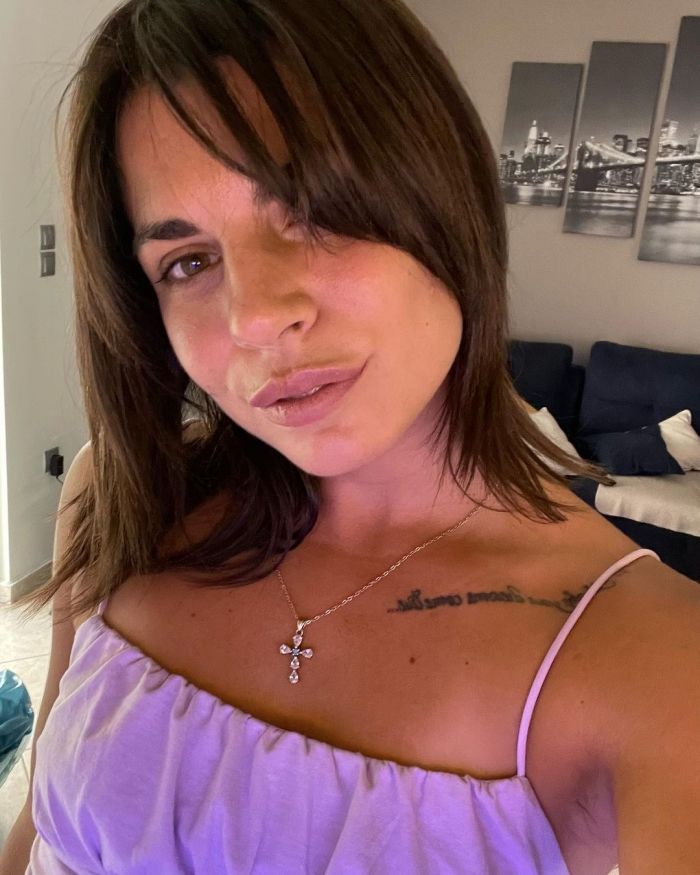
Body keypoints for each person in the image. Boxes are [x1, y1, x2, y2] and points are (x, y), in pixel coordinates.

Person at [2, 1, 699, 873]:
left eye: (310, 210)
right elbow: (38, 821)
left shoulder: (654, 659)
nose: (255, 318)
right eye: (188, 262)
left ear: (444, 193)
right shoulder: (121, 497)